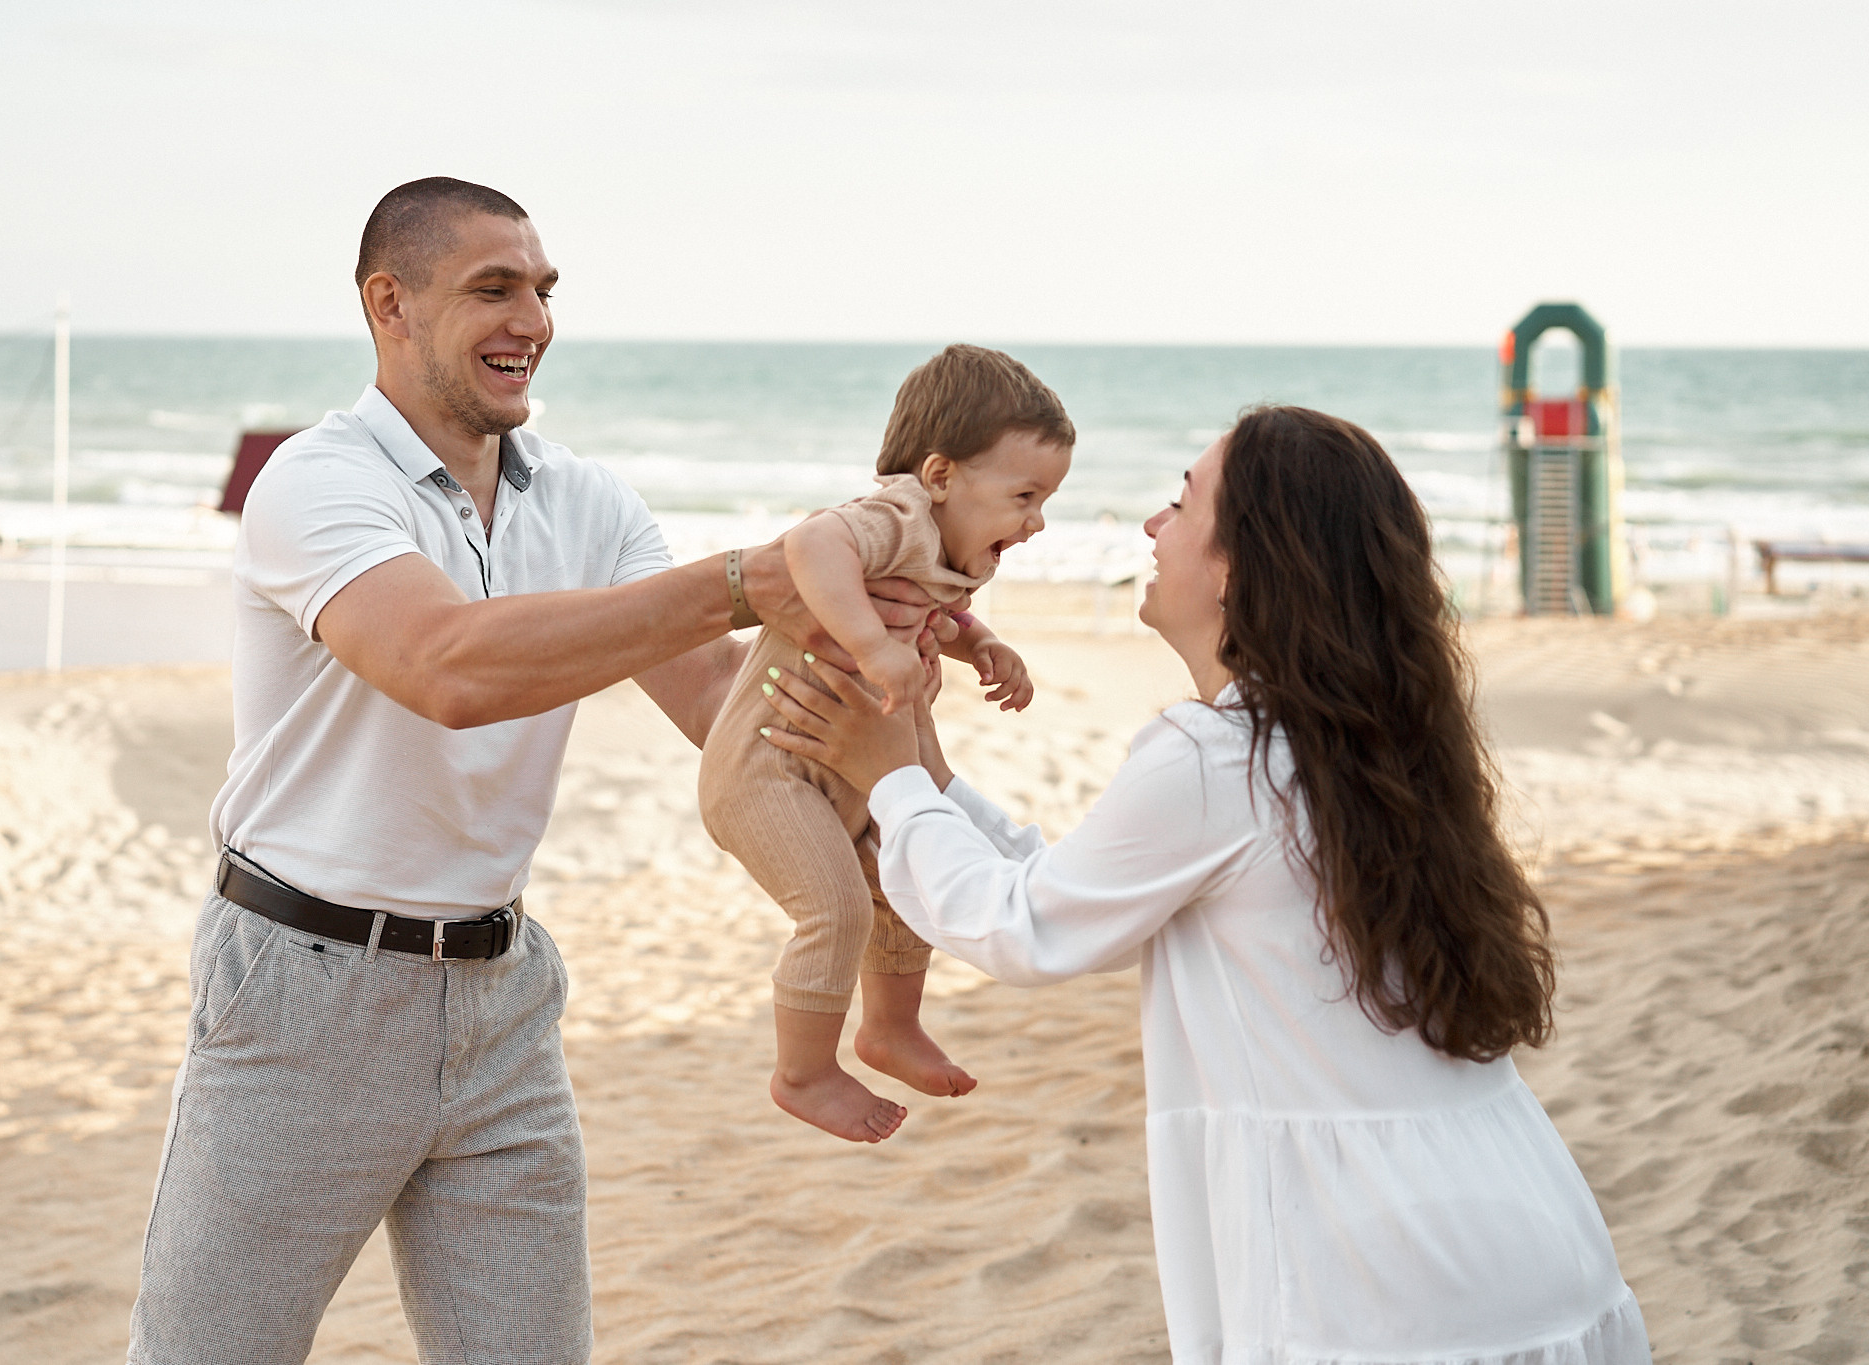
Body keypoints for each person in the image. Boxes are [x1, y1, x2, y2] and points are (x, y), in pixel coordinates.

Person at [126, 177, 945, 1365]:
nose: (533, 319)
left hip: (505, 996)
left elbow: (720, 703)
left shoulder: (587, 499)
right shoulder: (316, 482)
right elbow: (447, 670)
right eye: (493, 289)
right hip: (306, 996)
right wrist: (738, 582)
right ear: (389, 304)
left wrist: (881, 693)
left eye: (544, 290)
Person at [759, 406, 1651, 1362]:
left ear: (1238, 566)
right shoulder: (1356, 746)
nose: (1153, 527)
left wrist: (890, 779)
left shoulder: (1216, 756)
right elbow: (1076, 885)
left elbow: (1021, 927)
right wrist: (913, 763)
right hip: (1531, 1236)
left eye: (1181, 506)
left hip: (1383, 1280)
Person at [699, 344, 1070, 1143]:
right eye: (1025, 496)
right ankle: (802, 1072)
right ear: (939, 476)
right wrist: (871, 646)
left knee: (901, 881)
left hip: (847, 765)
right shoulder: (896, 514)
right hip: (771, 771)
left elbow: (939, 610)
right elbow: (811, 546)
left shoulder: (944, 547)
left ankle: (889, 1029)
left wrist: (984, 644)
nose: (1036, 522)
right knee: (833, 906)